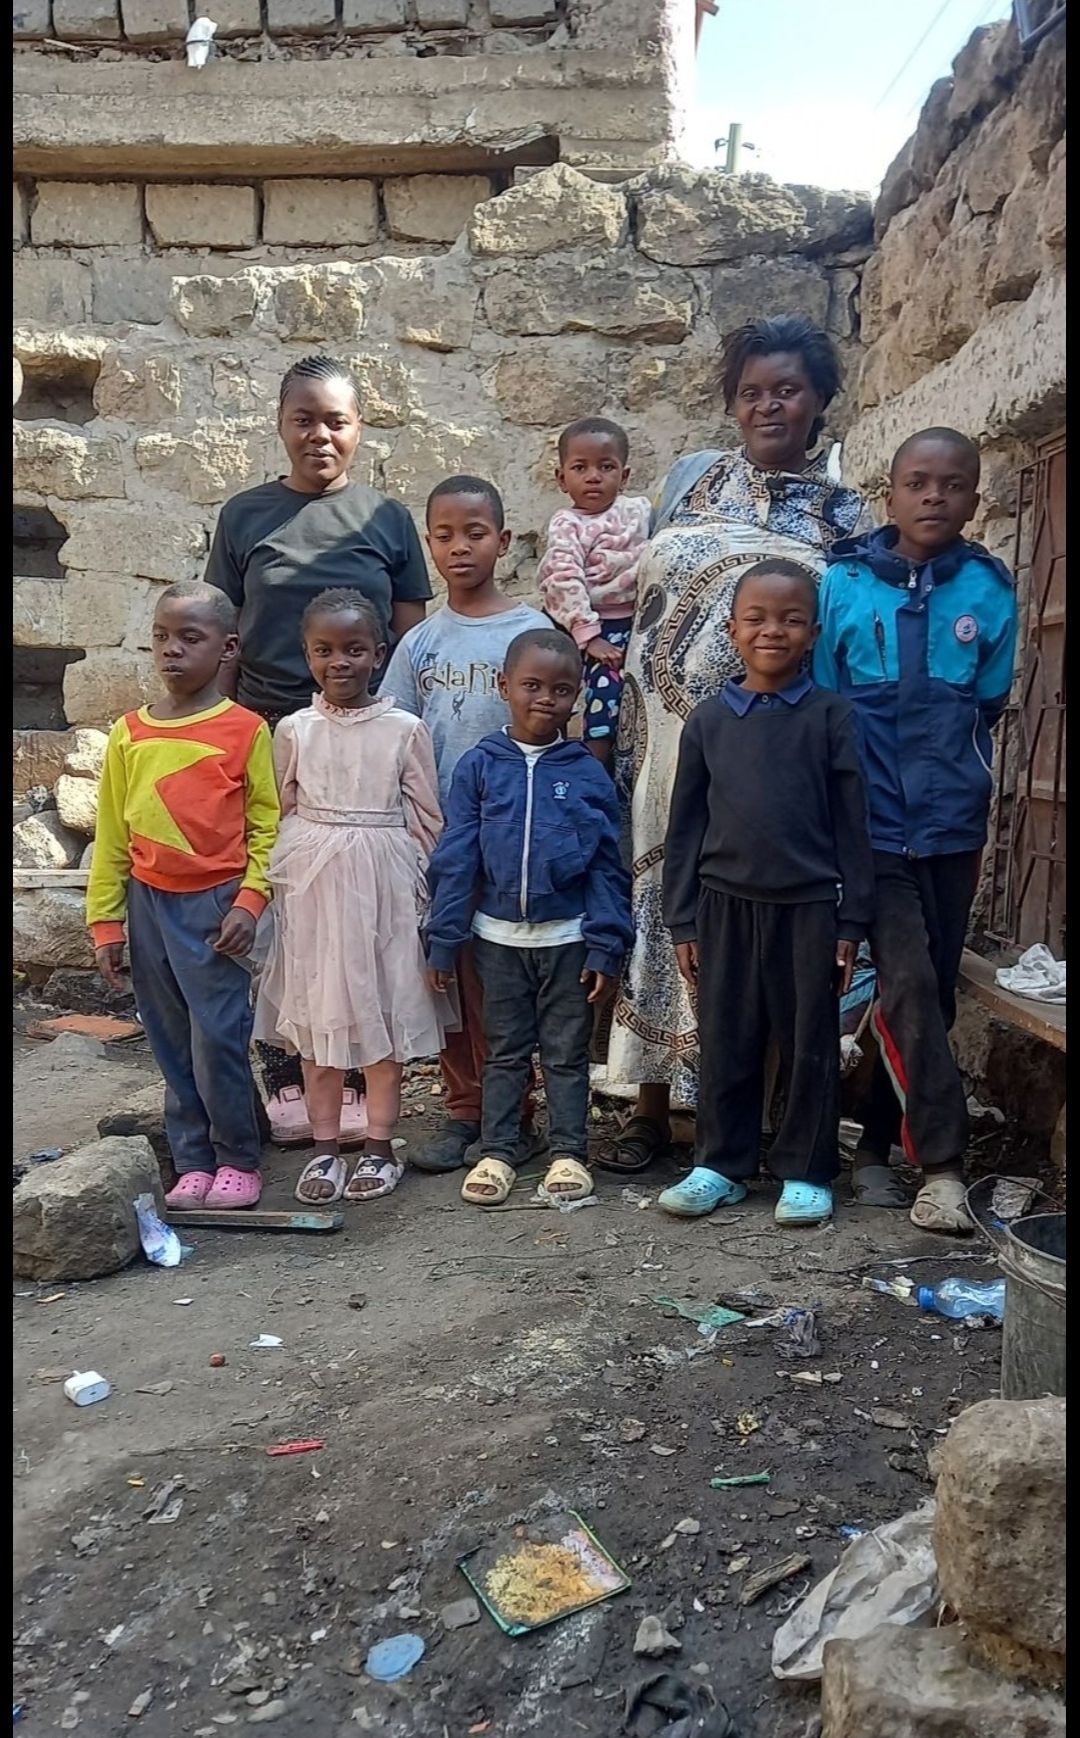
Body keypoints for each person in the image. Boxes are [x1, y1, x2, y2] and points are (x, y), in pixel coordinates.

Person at [601, 315, 865, 1175]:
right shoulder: (692, 484)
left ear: (820, 399)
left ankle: (761, 1129)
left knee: (763, 939)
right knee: (663, 914)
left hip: (777, 756)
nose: (768, 406)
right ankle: (649, 1110)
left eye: (788, 389)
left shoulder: (848, 514)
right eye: (752, 392)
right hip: (666, 744)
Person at [206, 354, 432, 1145]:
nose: (320, 435)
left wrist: (388, 728)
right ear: (281, 425)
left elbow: (409, 634)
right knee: (283, 908)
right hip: (272, 730)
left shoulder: (385, 519)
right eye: (303, 419)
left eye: (336, 420)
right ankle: (289, 1074)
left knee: (359, 917)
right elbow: (225, 632)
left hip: (362, 735)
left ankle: (362, 1074)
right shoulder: (245, 516)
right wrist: (222, 731)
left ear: (359, 428)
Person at [814, 427, 1018, 1233]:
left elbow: (989, 702)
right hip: (870, 826)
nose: (935, 495)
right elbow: (826, 706)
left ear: (974, 497)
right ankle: (943, 1165)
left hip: (952, 824)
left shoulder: (989, 590)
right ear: (890, 493)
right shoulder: (842, 584)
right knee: (902, 981)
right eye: (919, 482)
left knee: (928, 990)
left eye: (954, 484)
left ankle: (873, 1145)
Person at [661, 561, 874, 1224]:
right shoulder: (708, 722)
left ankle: (806, 1170)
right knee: (727, 1037)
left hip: (809, 909)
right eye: (756, 618)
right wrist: (683, 922)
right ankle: (720, 1165)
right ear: (733, 629)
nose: (772, 631)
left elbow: (853, 826)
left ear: (813, 633)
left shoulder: (831, 717)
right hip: (723, 906)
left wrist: (851, 921)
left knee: (809, 1042)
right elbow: (685, 827)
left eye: (790, 619)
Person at [87, 582, 280, 1210]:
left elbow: (267, 827)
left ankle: (238, 1158)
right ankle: (193, 1159)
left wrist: (250, 902)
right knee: (168, 1037)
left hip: (215, 908)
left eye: (190, 638)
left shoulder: (245, 730)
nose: (172, 650)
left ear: (228, 648)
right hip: (147, 904)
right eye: (162, 637)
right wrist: (106, 923)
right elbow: (113, 833)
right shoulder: (129, 733)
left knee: (217, 1035)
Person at [253, 590, 449, 1205]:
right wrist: (289, 882)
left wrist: (417, 890)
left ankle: (380, 1145)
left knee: (383, 1011)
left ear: (379, 654)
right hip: (313, 890)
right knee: (319, 1018)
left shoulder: (404, 730)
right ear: (307, 655)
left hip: (384, 887)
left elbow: (427, 818)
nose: (340, 661)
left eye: (355, 649)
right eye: (325, 650)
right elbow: (281, 809)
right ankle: (324, 1148)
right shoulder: (294, 729)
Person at [426, 628, 633, 1207]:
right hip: (495, 941)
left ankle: (569, 1152)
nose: (546, 699)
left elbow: (606, 865)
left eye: (562, 690)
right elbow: (457, 857)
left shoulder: (586, 772)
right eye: (532, 686)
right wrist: (444, 939)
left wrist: (605, 945)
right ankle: (499, 1149)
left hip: (568, 939)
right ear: (504, 686)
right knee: (504, 1050)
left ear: (577, 696)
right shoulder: (479, 766)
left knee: (566, 1053)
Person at [382, 477, 549, 1174]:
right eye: (445, 536)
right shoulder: (420, 643)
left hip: (519, 840)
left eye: (475, 534)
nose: (460, 547)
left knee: (509, 983)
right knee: (449, 976)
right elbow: (393, 737)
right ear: (429, 544)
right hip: (444, 842)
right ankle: (463, 1110)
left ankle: (517, 1114)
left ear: (503, 542)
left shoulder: (532, 633)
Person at [537, 418, 651, 768]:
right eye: (580, 468)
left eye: (606, 467)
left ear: (624, 476)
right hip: (582, 623)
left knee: (630, 693)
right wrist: (589, 636)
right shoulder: (568, 524)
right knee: (596, 691)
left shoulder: (639, 511)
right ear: (561, 479)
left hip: (633, 621)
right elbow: (564, 577)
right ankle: (587, 767)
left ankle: (619, 766)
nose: (593, 476)